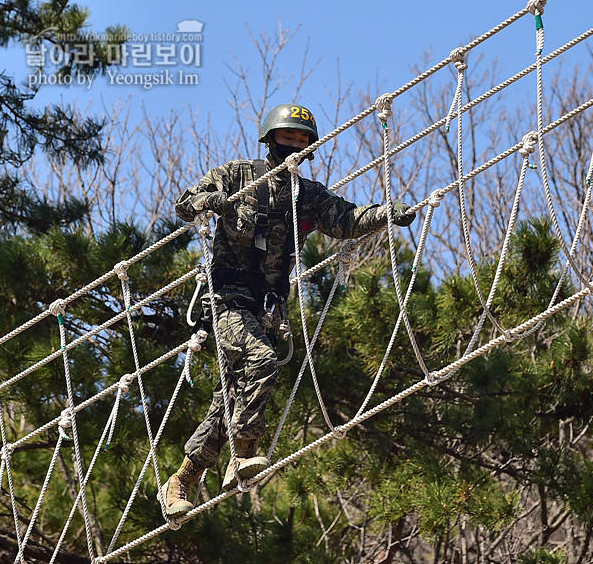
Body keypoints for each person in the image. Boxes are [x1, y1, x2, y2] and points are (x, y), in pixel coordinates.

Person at [160, 103, 415, 518]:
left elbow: (347, 219)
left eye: (302, 139)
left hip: (266, 306)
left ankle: (181, 480)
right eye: (288, 137)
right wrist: (213, 200)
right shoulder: (237, 175)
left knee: (228, 402)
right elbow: (185, 204)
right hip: (227, 297)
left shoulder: (307, 196)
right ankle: (244, 454)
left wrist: (388, 214)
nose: (295, 145)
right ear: (271, 139)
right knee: (261, 361)